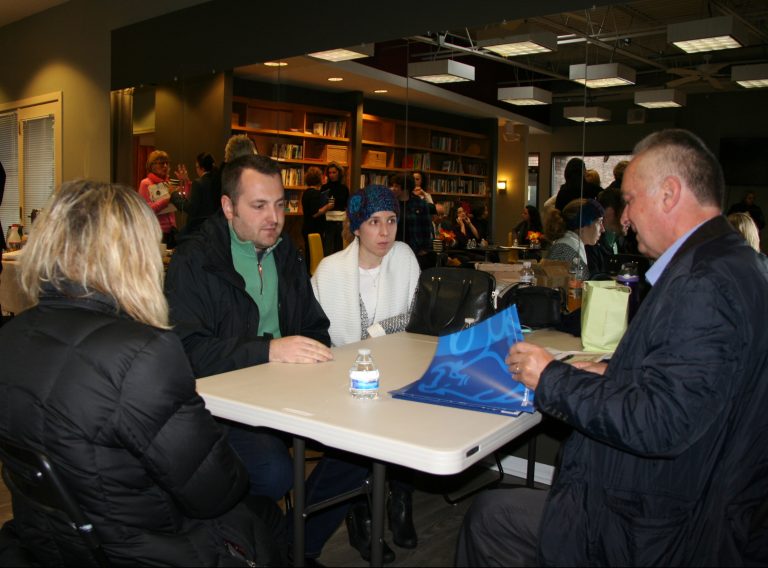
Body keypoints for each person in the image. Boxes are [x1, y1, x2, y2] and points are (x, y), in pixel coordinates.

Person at [458, 129, 768, 566]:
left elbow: (661, 422)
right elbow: (700, 385)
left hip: (661, 525)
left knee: (492, 519)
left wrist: (551, 377)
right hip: (697, 501)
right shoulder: (738, 265)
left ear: (669, 194)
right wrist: (618, 374)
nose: (624, 217)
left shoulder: (704, 284)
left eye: (630, 200)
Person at [0, 180, 286, 566]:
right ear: (136, 255)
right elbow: (217, 491)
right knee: (268, 517)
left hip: (51, 544)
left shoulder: (12, 335)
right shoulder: (141, 354)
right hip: (146, 549)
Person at [164, 154, 367, 562]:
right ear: (228, 207)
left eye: (279, 204)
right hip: (219, 408)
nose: (274, 218)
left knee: (364, 447)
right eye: (259, 206)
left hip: (284, 393)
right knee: (274, 474)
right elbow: (186, 350)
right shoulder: (195, 260)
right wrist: (269, 350)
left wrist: (300, 360)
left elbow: (314, 328)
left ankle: (292, 545)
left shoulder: (286, 253)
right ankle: (256, 543)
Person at [311, 184, 421, 563]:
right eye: (374, 222)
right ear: (356, 226)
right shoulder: (330, 271)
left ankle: (400, 497)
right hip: (342, 379)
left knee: (411, 412)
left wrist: (376, 332)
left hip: (397, 370)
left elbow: (416, 316)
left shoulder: (404, 258)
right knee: (357, 433)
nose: (385, 231)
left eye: (391, 220)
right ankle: (360, 514)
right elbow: (315, 330)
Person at [138, 149, 188, 248]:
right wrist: (167, 198)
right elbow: (146, 210)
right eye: (161, 163)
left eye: (167, 163)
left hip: (172, 232)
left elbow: (184, 201)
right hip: (156, 233)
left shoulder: (169, 183)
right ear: (152, 165)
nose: (165, 166)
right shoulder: (146, 183)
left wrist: (185, 182)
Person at [545, 198, 605, 277]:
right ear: (583, 224)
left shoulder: (569, 245)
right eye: (599, 222)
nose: (603, 229)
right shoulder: (567, 250)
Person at [391, 173, 435, 269]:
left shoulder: (420, 204)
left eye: (396, 186)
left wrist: (425, 248)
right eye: (393, 186)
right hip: (394, 247)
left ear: (405, 189)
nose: (393, 189)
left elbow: (426, 226)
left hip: (414, 248)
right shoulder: (391, 204)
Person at [172, 151, 221, 235]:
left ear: (202, 168)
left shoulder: (198, 183)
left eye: (196, 167)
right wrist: (186, 181)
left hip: (199, 228)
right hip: (215, 226)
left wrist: (174, 195)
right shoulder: (218, 180)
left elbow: (192, 209)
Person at [301, 166, 331, 258]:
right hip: (314, 229)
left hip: (307, 227)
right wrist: (327, 207)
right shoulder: (315, 193)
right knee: (316, 256)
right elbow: (315, 213)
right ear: (318, 179)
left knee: (309, 254)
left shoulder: (306, 192)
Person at [321, 162, 350, 254]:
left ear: (339, 173)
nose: (331, 175)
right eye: (329, 173)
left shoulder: (344, 188)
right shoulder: (324, 188)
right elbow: (321, 204)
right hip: (327, 221)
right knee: (327, 249)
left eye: (334, 172)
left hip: (340, 221)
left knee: (339, 249)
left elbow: (347, 205)